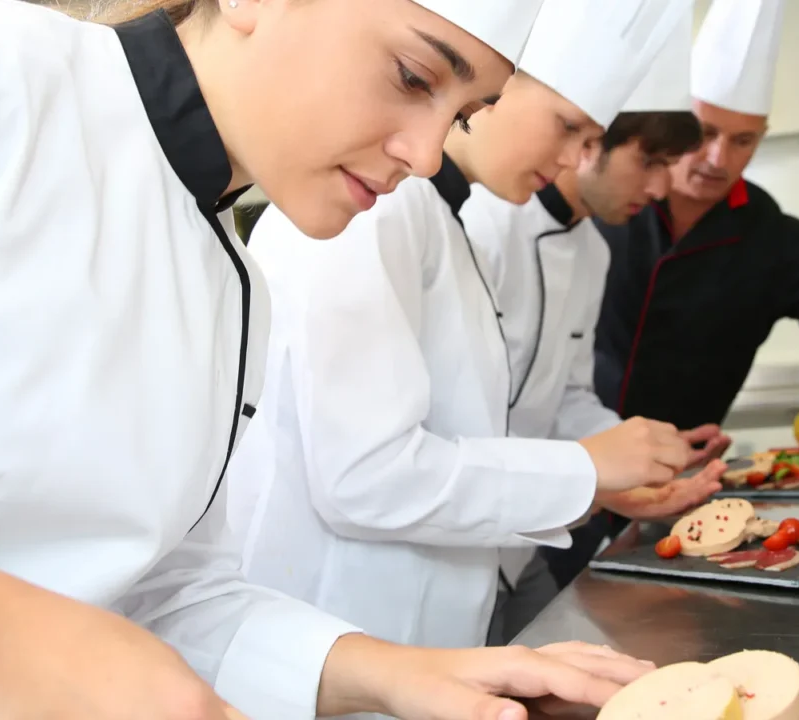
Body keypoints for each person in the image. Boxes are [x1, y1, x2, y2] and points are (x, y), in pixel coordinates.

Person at [0, 0, 657, 718]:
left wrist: (418, 674)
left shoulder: (233, 282)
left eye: (465, 111)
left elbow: (165, 594)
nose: (430, 155)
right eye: (411, 76)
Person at [227, 0, 712, 673]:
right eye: (568, 127)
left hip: (424, 637)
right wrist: (585, 470)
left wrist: (607, 469)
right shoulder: (376, 210)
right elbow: (366, 478)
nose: (576, 158)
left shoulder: (439, 222)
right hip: (339, 629)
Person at [566, 0, 799, 587]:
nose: (719, 158)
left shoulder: (771, 238)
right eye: (705, 132)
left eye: (743, 141)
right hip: (562, 470)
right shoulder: (603, 200)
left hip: (681, 496)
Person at [458, 14, 725, 642]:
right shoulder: (480, 222)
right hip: (459, 535)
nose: (661, 189)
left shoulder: (593, 252)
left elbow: (565, 398)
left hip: (521, 547)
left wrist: (641, 456)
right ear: (590, 144)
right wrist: (591, 473)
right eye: (649, 162)